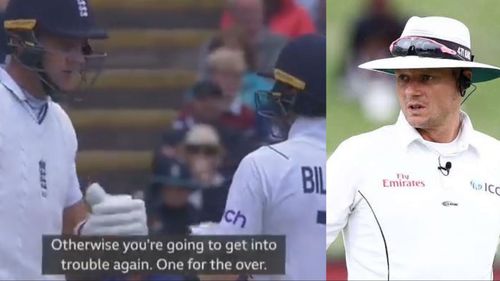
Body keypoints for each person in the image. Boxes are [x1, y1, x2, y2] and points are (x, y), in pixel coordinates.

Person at [326, 16, 500, 280]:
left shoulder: (494, 158)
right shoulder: (357, 156)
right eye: (403, 78)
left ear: (463, 79)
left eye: (426, 78)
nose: (411, 91)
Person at [0, 0, 147, 279]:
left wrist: (97, 231)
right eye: (65, 45)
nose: (78, 58)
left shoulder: (61, 123)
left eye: (82, 47)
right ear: (22, 40)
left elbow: (69, 229)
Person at [205, 34, 326, 280]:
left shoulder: (262, 165)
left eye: (280, 85)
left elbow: (222, 270)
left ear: (293, 90)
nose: (273, 93)